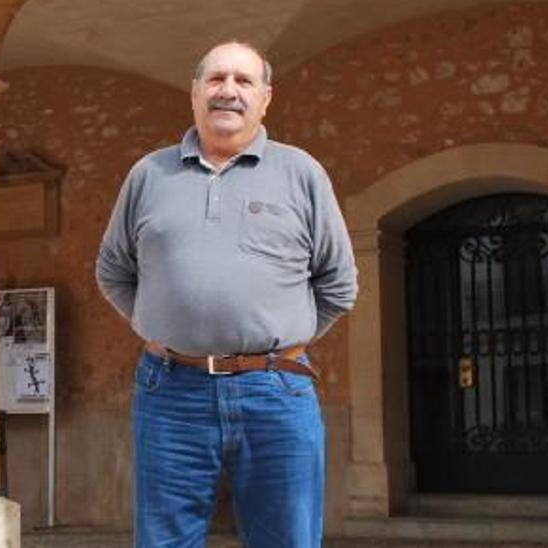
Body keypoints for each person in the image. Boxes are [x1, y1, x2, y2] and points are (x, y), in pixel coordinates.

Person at [95, 41, 358, 548]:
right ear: (194, 92)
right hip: (170, 390)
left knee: (287, 539)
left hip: (276, 392)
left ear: (266, 98)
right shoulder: (149, 175)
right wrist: (162, 325)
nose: (228, 92)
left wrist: (278, 342)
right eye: (215, 80)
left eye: (243, 81)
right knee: (164, 541)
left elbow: (338, 283)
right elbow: (113, 270)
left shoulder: (302, 173)